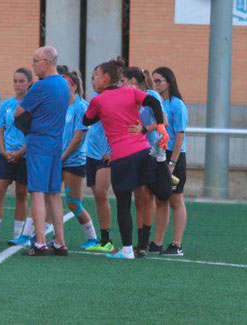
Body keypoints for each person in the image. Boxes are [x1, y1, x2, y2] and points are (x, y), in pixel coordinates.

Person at [83, 58, 169, 260]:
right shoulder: (130, 91)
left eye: (95, 76)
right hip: (144, 151)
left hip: (122, 157)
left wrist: (102, 113)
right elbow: (154, 102)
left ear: (105, 78)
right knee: (154, 194)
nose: (93, 80)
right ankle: (143, 244)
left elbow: (86, 120)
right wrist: (160, 127)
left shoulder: (98, 100)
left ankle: (128, 249)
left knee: (123, 202)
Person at [13, 46, 69, 256]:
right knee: (54, 194)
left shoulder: (41, 86)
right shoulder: (64, 84)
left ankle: (40, 241)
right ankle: (60, 242)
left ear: (46, 62)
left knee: (37, 192)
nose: (33, 64)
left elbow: (19, 111)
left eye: (35, 60)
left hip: (39, 142)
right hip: (56, 143)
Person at [121, 67, 164, 257]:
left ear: (133, 81)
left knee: (148, 195)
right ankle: (139, 242)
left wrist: (144, 129)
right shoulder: (125, 98)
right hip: (132, 150)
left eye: (123, 80)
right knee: (137, 197)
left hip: (149, 151)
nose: (121, 84)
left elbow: (165, 122)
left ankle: (145, 242)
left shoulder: (151, 96)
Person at [150, 66, 188, 256]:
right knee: (161, 199)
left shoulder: (177, 105)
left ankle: (176, 244)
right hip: (160, 154)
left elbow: (179, 136)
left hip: (174, 156)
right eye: (153, 81)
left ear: (169, 82)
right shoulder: (158, 103)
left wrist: (172, 164)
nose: (155, 84)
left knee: (176, 199)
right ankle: (157, 243)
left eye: (159, 81)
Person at [0, 68, 32, 243]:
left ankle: (17, 233)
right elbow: (0, 130)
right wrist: (4, 151)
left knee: (22, 194)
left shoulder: (32, 105)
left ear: (29, 82)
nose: (17, 84)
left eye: (21, 81)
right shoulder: (6, 105)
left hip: (24, 156)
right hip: (6, 155)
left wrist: (20, 152)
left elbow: (34, 133)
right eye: (15, 81)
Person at [60, 71, 98, 248]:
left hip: (74, 161)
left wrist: (63, 156)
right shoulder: (61, 105)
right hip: (59, 159)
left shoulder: (81, 107)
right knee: (48, 197)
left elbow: (77, 138)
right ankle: (44, 237)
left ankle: (92, 237)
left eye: (64, 85)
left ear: (74, 87)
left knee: (73, 201)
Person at [83, 83, 115, 253]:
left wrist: (112, 151)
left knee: (102, 193)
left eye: (97, 75)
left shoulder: (112, 97)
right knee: (97, 195)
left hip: (105, 154)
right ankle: (103, 238)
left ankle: (108, 239)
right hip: (92, 154)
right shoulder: (95, 97)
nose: (93, 80)